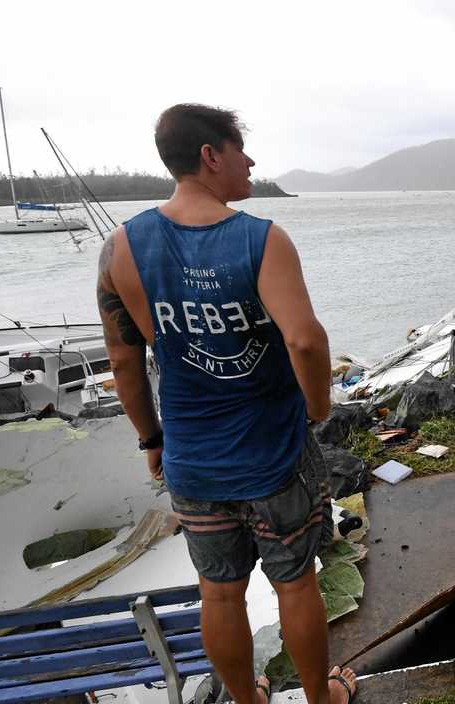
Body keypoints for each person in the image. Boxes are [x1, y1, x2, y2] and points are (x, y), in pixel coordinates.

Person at [97, 104, 358, 704]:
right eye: (242, 150)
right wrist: (317, 406)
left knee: (219, 591)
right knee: (295, 585)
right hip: (275, 455)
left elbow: (123, 362)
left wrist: (152, 440)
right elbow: (305, 338)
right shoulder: (260, 238)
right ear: (211, 156)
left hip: (193, 458)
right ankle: (321, 698)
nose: (252, 162)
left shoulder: (122, 247)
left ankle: (248, 701)